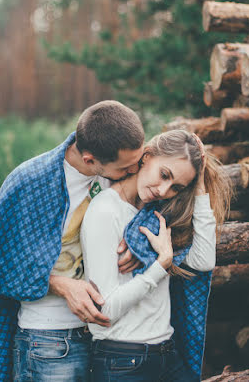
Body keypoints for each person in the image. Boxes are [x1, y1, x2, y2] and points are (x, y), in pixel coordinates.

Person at [0, 100, 145, 382]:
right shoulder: (29, 182)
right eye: (126, 168)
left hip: (111, 338)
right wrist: (61, 284)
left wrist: (135, 241)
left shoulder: (124, 171)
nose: (135, 172)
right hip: (50, 340)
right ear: (90, 160)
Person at [80, 130, 232, 382]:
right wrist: (160, 265)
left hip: (166, 355)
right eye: (164, 175)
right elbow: (104, 310)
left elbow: (204, 261)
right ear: (146, 156)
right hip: (122, 361)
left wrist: (200, 186)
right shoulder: (106, 210)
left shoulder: (158, 216)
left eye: (176, 187)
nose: (163, 190)